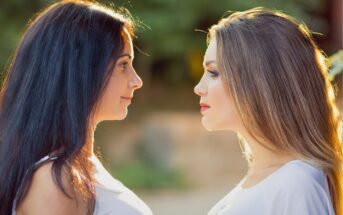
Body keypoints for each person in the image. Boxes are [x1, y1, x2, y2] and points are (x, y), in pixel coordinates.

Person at [0, 1, 153, 215]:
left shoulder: (80, 168)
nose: (136, 81)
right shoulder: (54, 181)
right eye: (123, 65)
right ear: (81, 70)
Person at [194, 7, 342, 215]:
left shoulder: (297, 184)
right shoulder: (265, 182)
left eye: (213, 72)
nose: (198, 88)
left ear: (259, 82)